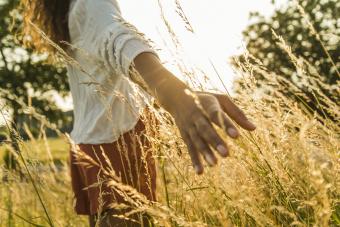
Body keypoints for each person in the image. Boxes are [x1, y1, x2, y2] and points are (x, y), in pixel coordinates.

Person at [21, 0, 256, 226]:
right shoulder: (90, 3)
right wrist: (175, 95)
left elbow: (111, 78)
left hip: (89, 142)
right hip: (115, 144)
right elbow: (119, 39)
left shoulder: (72, 9)